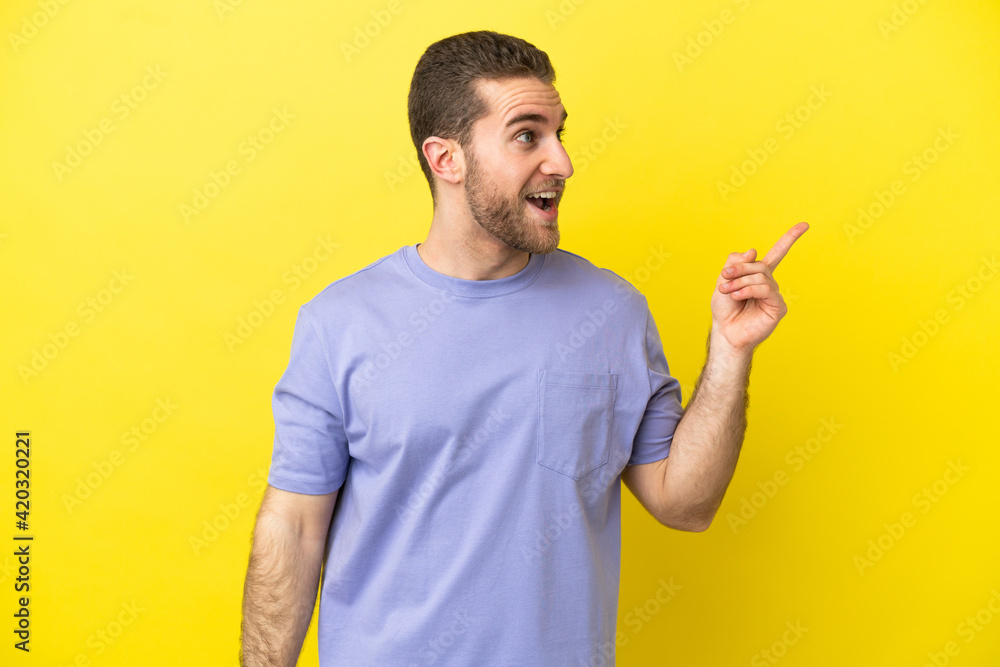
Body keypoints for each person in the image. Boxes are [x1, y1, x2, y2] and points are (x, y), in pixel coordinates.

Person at [240, 29, 808, 666]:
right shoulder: (340, 323)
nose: (561, 161)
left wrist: (730, 353)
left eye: (560, 133)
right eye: (526, 135)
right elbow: (294, 527)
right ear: (446, 159)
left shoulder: (612, 313)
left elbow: (687, 505)